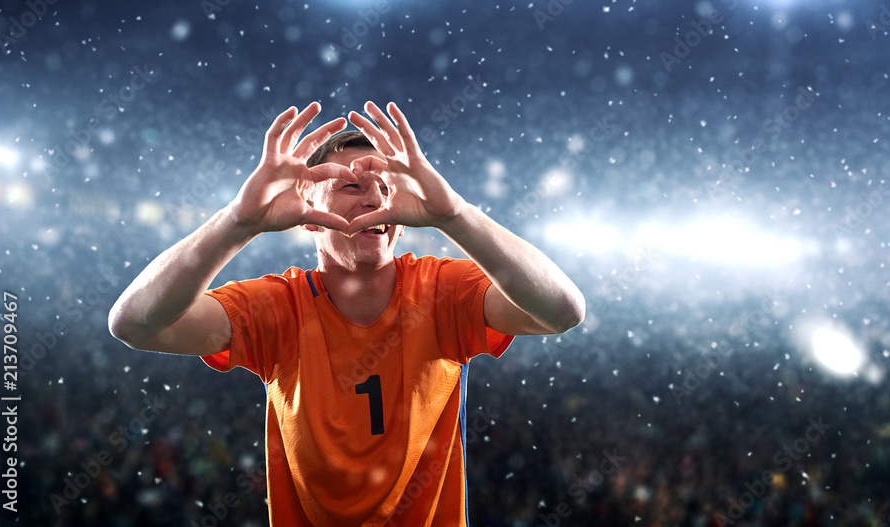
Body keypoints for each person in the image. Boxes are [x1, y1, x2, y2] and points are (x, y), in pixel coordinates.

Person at [108, 101, 586, 525]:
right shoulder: (277, 305)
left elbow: (563, 311)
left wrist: (453, 213)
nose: (374, 198)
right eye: (351, 186)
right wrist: (238, 221)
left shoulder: (443, 290)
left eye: (383, 187)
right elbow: (133, 323)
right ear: (304, 205)